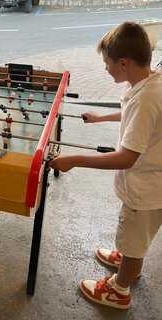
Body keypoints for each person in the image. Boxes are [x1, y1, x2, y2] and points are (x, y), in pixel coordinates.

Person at [50, 21, 162, 310]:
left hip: (146, 190)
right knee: (133, 237)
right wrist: (100, 117)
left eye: (107, 63)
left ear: (123, 63)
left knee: (135, 240)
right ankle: (126, 259)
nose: (105, 69)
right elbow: (132, 116)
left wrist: (74, 160)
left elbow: (126, 157)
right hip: (150, 186)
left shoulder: (146, 99)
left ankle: (119, 289)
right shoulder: (151, 81)